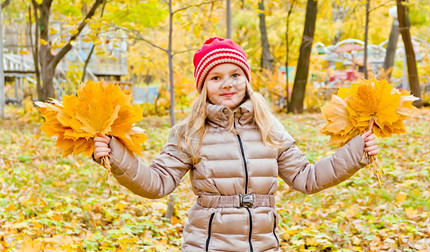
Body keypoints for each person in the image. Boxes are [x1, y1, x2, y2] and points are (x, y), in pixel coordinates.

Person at [93, 37, 379, 251]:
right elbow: (157, 183)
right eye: (216, 78)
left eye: (235, 75)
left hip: (264, 245)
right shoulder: (189, 133)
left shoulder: (269, 128)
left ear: (246, 79)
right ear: (203, 86)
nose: (227, 84)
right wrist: (115, 155)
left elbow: (307, 178)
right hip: (209, 246)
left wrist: (357, 151)